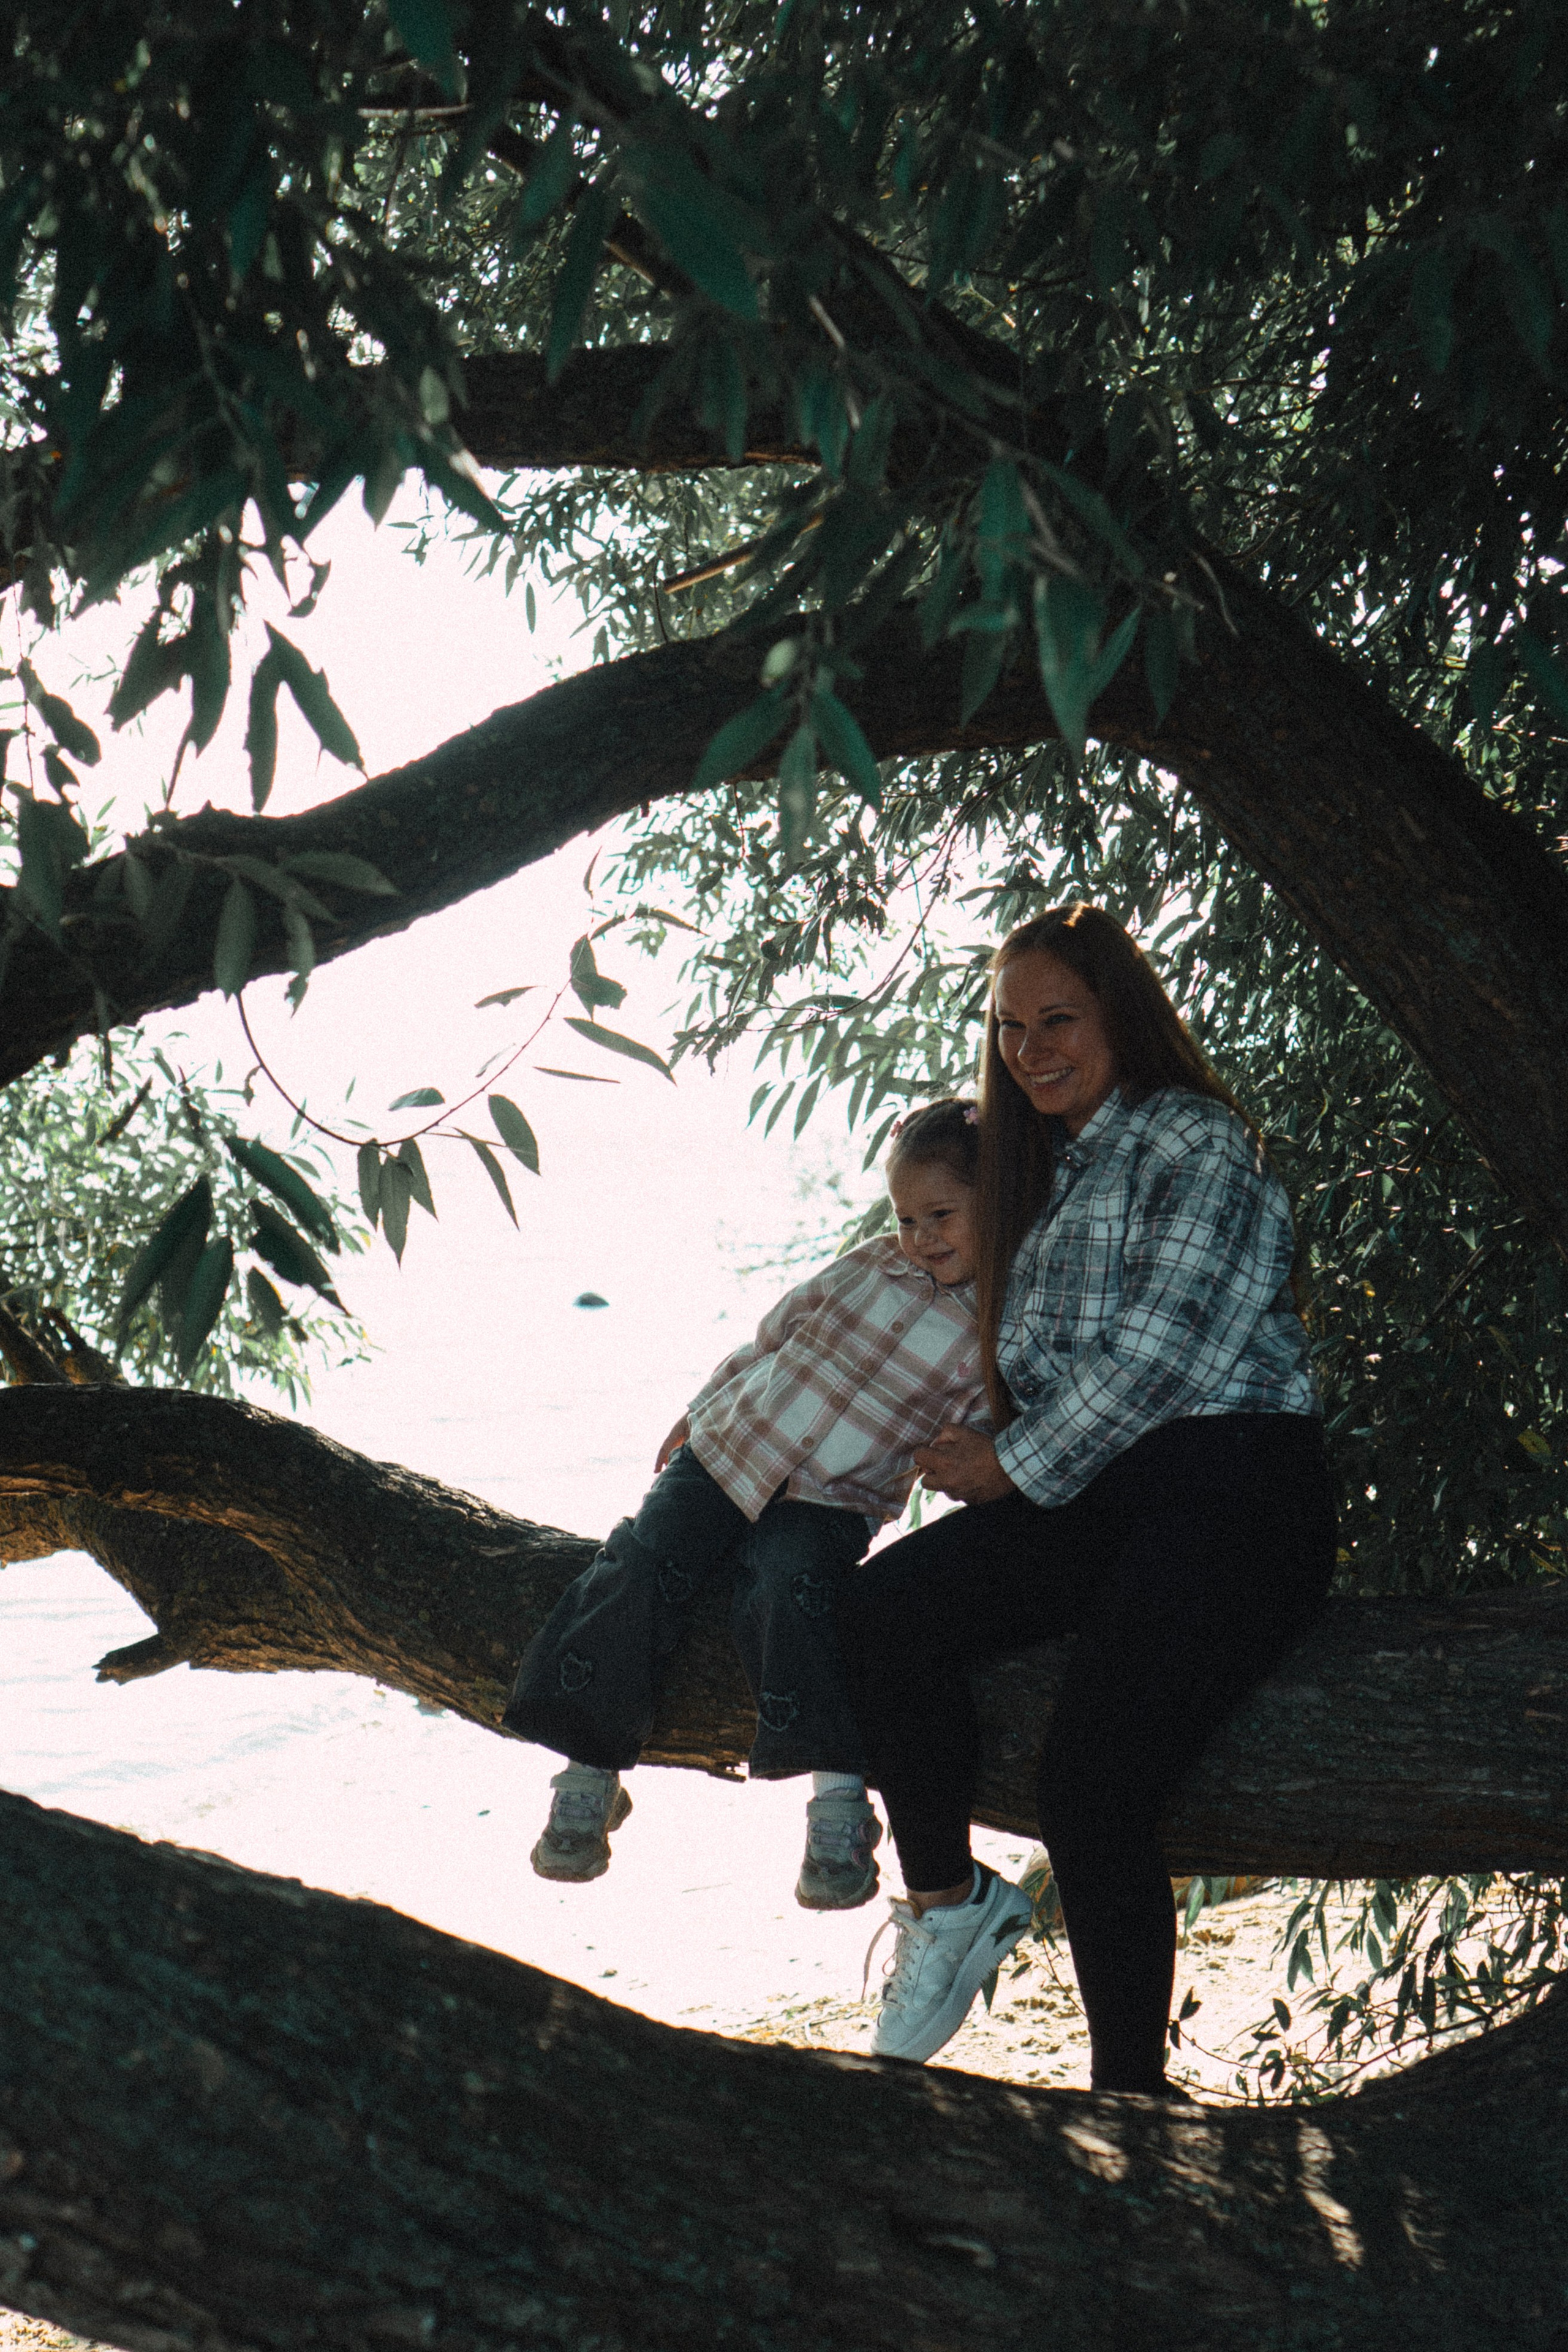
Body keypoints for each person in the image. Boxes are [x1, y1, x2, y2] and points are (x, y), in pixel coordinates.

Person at [842, 905, 1335, 2085]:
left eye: (1058, 1019)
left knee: (1092, 1783)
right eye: (1010, 1028)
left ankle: (1130, 2101)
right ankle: (951, 1903)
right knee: (875, 1614)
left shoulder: (1195, 1141)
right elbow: (919, 1296)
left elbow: (1164, 1355)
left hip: (1231, 1487)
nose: (1031, 1050)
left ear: (1121, 1012)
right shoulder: (1039, 1173)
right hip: (1096, 1496)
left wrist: (1010, 1467)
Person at [504, 1099, 988, 1910]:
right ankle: (588, 1771)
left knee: (795, 1590)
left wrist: (965, 1466)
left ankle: (839, 1807)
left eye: (942, 1215)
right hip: (731, 1448)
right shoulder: (870, 1265)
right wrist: (701, 1407)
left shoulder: (999, 1328)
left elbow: (978, 1435)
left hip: (831, 1497)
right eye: (907, 1218)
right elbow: (774, 1335)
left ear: (999, 1201)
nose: (922, 1236)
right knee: (643, 1562)